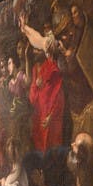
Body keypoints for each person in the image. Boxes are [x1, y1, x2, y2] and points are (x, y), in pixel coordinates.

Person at [19, 13, 65, 151]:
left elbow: (59, 96)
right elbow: (32, 99)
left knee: (53, 150)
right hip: (40, 119)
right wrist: (24, 28)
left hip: (52, 120)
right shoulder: (37, 69)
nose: (34, 51)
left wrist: (51, 116)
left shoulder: (54, 66)